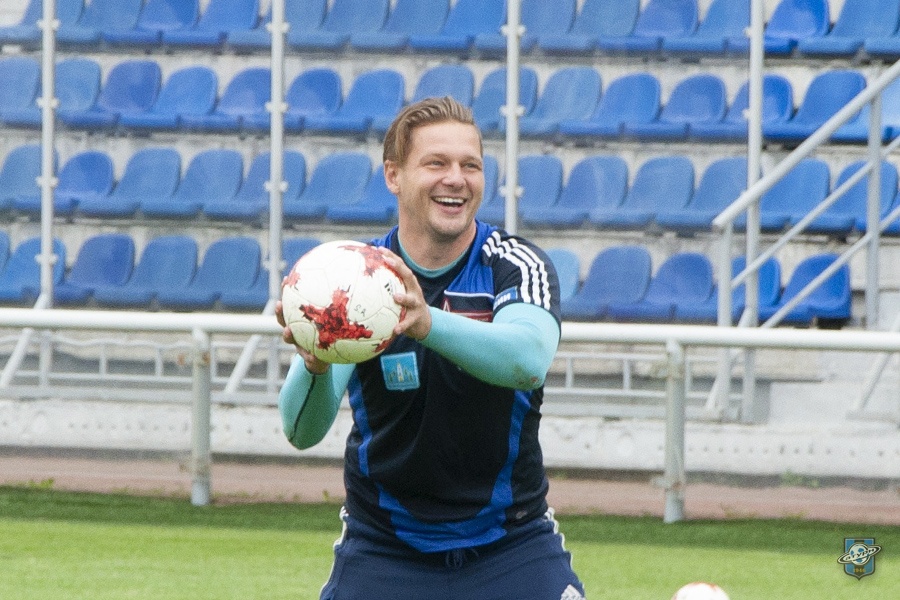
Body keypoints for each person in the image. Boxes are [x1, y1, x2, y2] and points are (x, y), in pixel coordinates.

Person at [276, 96, 586, 600]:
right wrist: (314, 366)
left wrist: (427, 323)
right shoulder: (354, 282)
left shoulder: (514, 264)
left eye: (471, 165)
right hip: (384, 548)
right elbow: (300, 431)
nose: (456, 179)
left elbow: (528, 360)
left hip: (512, 544)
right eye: (436, 163)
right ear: (394, 176)